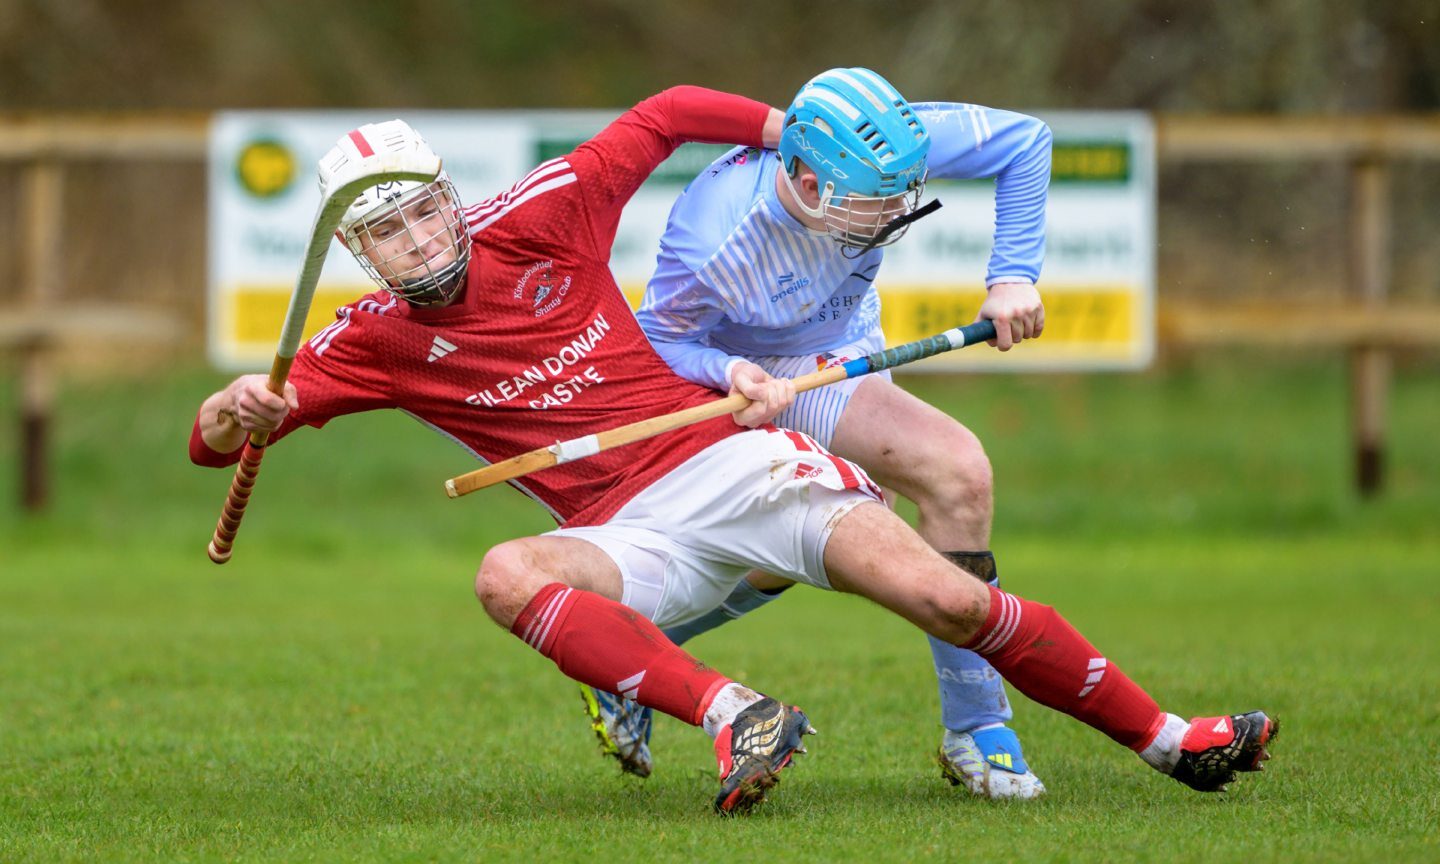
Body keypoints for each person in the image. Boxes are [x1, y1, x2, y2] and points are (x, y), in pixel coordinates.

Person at [189, 85, 1277, 817]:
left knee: (951, 601)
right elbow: (208, 445)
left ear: (452, 202)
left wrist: (779, 137)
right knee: (505, 571)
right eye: (390, 234)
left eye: (429, 215)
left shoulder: (546, 210)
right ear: (355, 247)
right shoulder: (364, 344)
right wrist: (235, 417)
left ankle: (1171, 739)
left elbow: (666, 114)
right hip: (622, 535)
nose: (420, 244)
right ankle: (736, 715)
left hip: (732, 462)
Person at [586, 67, 1053, 799]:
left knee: (850, 527)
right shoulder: (717, 237)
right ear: (806, 181)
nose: (898, 211)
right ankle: (978, 729)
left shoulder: (888, 146)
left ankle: (637, 657)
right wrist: (734, 371)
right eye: (876, 203)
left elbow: (1026, 142)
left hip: (842, 344)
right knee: (955, 471)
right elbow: (661, 340)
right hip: (761, 365)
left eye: (904, 191)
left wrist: (1013, 274)